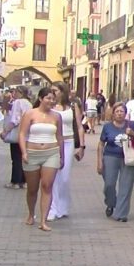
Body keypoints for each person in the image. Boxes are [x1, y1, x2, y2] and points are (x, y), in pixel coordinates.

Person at [18, 87, 64, 232]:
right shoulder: (30, 114)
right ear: (40, 99)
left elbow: (60, 137)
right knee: (32, 188)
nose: (51, 101)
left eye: (53, 98)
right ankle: (31, 214)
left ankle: (43, 220)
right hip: (32, 152)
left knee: (47, 186)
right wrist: (24, 152)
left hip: (51, 153)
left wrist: (61, 155)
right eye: (48, 98)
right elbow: (22, 134)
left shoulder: (57, 116)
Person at [48, 82, 85, 220]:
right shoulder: (49, 106)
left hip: (68, 142)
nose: (52, 93)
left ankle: (63, 206)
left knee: (64, 177)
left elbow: (80, 126)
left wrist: (81, 146)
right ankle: (52, 208)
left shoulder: (72, 107)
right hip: (52, 142)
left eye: (55, 90)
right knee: (52, 176)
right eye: (51, 91)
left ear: (62, 92)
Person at [97, 103, 134, 222]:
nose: (119, 114)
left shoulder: (132, 125)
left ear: (126, 113)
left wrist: (133, 134)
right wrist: (99, 161)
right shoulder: (107, 127)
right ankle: (111, 203)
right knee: (109, 184)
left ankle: (121, 214)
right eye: (117, 111)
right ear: (113, 113)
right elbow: (101, 144)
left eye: (122, 111)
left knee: (126, 185)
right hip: (110, 156)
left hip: (128, 158)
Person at [1, 86, 32, 189]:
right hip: (27, 134)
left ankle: (15, 181)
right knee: (23, 157)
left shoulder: (18, 102)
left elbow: (15, 119)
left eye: (15, 91)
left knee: (16, 158)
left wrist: (5, 131)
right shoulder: (29, 103)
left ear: (20, 92)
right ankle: (24, 181)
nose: (14, 93)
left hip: (17, 133)